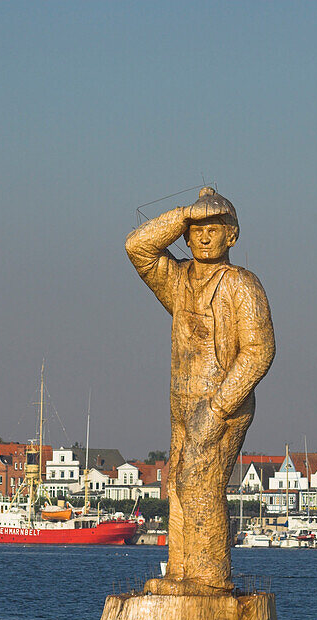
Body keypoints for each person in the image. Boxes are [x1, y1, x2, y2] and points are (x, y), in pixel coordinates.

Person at [127, 187, 275, 596]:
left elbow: (260, 350)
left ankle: (210, 577)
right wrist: (183, 212)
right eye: (196, 229)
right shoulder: (178, 281)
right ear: (185, 236)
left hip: (224, 401)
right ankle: (181, 571)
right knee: (178, 481)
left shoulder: (241, 284)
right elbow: (137, 246)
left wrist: (220, 404)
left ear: (233, 235)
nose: (205, 236)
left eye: (215, 227)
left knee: (200, 480)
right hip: (181, 400)